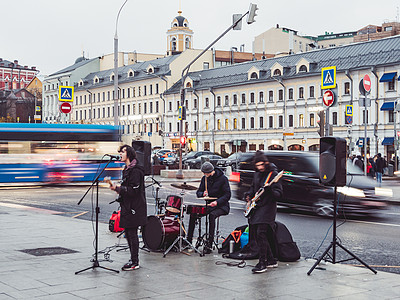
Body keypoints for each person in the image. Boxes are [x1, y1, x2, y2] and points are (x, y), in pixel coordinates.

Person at [109, 144, 147, 271]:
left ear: (129, 154)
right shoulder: (126, 169)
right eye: (120, 152)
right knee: (128, 233)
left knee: (132, 234)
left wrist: (118, 188)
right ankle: (132, 259)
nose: (120, 154)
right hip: (127, 206)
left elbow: (134, 190)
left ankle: (135, 261)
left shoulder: (136, 171)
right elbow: (127, 188)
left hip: (135, 207)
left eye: (123, 152)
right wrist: (119, 189)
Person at [245, 151, 283, 273]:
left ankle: (262, 263)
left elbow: (279, 194)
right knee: (256, 233)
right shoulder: (257, 174)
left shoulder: (273, 174)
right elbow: (253, 187)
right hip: (257, 206)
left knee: (261, 232)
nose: (260, 167)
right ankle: (271, 260)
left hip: (268, 208)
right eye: (257, 165)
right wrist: (249, 196)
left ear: (266, 163)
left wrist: (270, 189)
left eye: (261, 165)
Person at [186, 161, 231, 254]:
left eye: (206, 173)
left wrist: (217, 202)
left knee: (212, 216)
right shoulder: (204, 179)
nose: (204, 175)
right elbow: (198, 192)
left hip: (222, 206)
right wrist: (202, 193)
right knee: (193, 213)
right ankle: (188, 241)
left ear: (211, 171)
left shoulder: (223, 179)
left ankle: (209, 244)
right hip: (209, 205)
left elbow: (227, 195)